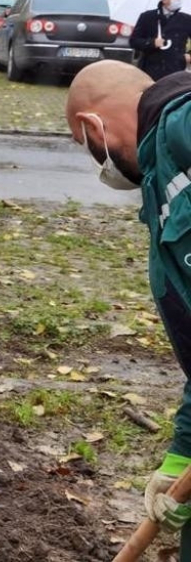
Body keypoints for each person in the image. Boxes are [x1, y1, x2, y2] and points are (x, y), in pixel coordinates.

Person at [66, 59, 191, 560]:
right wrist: (182, 449)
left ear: (92, 127)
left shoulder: (180, 124)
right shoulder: (162, 176)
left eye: (86, 148)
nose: (96, 159)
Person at [130, 0, 191, 81]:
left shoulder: (186, 19)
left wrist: (188, 55)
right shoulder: (147, 17)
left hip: (175, 70)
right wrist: (152, 43)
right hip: (150, 70)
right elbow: (134, 41)